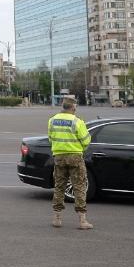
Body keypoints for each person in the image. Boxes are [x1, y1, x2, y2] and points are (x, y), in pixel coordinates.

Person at [48, 95, 92, 230]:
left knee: (59, 186)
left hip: (59, 157)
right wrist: (79, 149)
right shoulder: (77, 121)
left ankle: (57, 218)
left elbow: (51, 139)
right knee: (79, 186)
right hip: (75, 157)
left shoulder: (52, 120)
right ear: (73, 107)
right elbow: (86, 141)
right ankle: (82, 220)